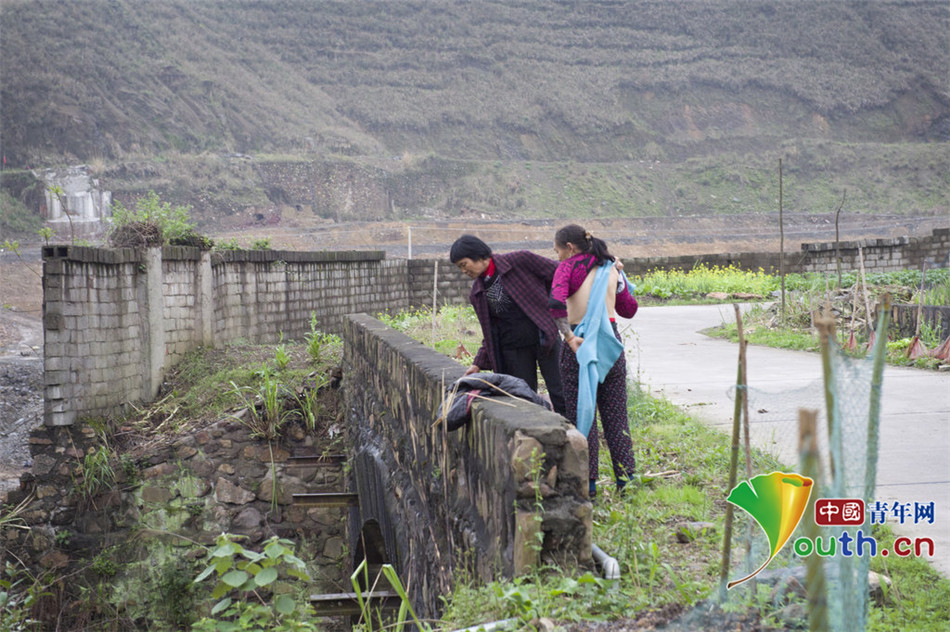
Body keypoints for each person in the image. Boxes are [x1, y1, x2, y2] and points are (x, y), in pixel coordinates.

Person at [548, 224, 638, 498]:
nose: (558, 257)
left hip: (581, 344)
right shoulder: (611, 267)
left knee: (580, 413)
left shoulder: (568, 268)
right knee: (616, 414)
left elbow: (554, 304)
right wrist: (619, 276)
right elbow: (629, 309)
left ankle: (587, 483)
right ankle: (626, 479)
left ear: (570, 248)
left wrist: (569, 338)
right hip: (610, 344)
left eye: (558, 251)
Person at [449, 235, 566, 415]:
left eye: (464, 264)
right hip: (513, 349)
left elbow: (560, 274)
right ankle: (533, 437)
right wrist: (478, 363)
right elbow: (490, 332)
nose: (464, 271)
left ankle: (573, 434)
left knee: (561, 392)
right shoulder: (478, 292)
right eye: (460, 268)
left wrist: (553, 305)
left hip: (545, 336)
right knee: (522, 398)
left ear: (479, 256)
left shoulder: (520, 261)